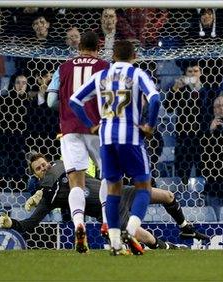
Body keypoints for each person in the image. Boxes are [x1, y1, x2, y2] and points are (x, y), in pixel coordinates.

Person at [0, 153, 208, 250]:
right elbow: (30, 224)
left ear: (50, 163)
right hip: (108, 213)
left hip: (120, 191)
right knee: (145, 237)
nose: (43, 169)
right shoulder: (49, 198)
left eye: (44, 165)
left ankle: (184, 227)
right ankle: (172, 249)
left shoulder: (65, 164)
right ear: (35, 176)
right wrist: (12, 224)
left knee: (167, 196)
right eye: (38, 169)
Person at [70, 40, 161, 256]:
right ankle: (130, 230)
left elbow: (75, 101)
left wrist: (91, 124)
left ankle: (115, 243)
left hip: (106, 138)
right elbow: (155, 99)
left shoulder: (101, 75)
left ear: (113, 57)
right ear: (134, 56)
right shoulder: (137, 74)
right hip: (130, 137)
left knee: (112, 189)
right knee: (144, 187)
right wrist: (149, 125)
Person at [46, 31, 110, 254]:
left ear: (79, 47)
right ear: (98, 48)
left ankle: (79, 224)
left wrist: (66, 111)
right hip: (98, 128)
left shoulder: (63, 67)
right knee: (109, 176)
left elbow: (51, 100)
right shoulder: (105, 66)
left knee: (76, 182)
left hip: (70, 130)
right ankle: (106, 221)